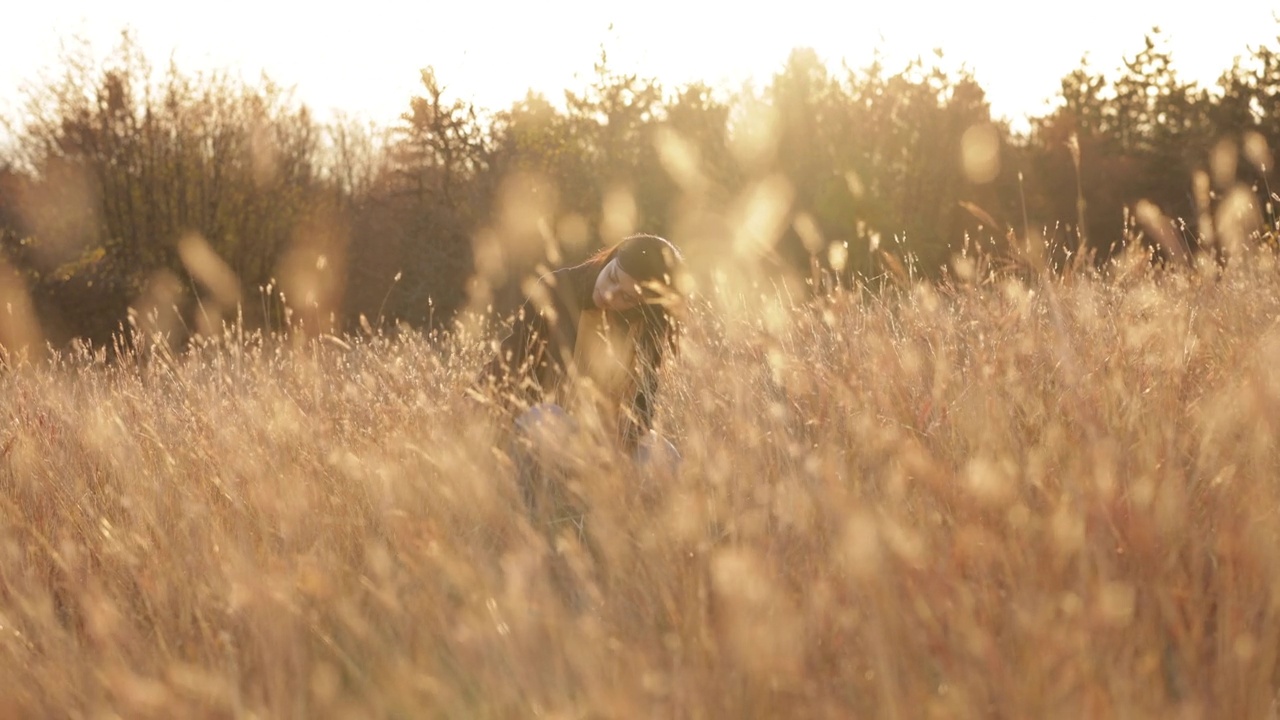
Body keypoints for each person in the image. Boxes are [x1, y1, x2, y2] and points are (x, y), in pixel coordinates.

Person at [475, 233, 685, 511]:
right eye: (612, 277)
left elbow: (644, 407)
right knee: (546, 419)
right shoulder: (556, 290)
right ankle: (528, 515)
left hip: (606, 443)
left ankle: (634, 538)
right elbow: (507, 362)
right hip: (544, 426)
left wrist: (618, 444)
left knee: (666, 458)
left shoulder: (646, 328)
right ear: (612, 257)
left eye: (626, 297)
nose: (609, 294)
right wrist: (472, 413)